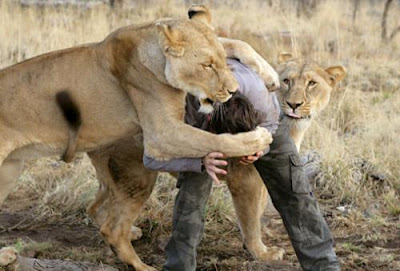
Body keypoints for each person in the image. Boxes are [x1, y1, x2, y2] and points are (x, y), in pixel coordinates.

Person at [143, 58, 340, 271]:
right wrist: (199, 160)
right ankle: (178, 267)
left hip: (264, 128)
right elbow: (151, 156)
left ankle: (325, 266)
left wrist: (259, 148)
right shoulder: (185, 110)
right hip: (200, 137)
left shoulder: (259, 96)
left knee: (295, 189)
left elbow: (272, 125)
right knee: (191, 195)